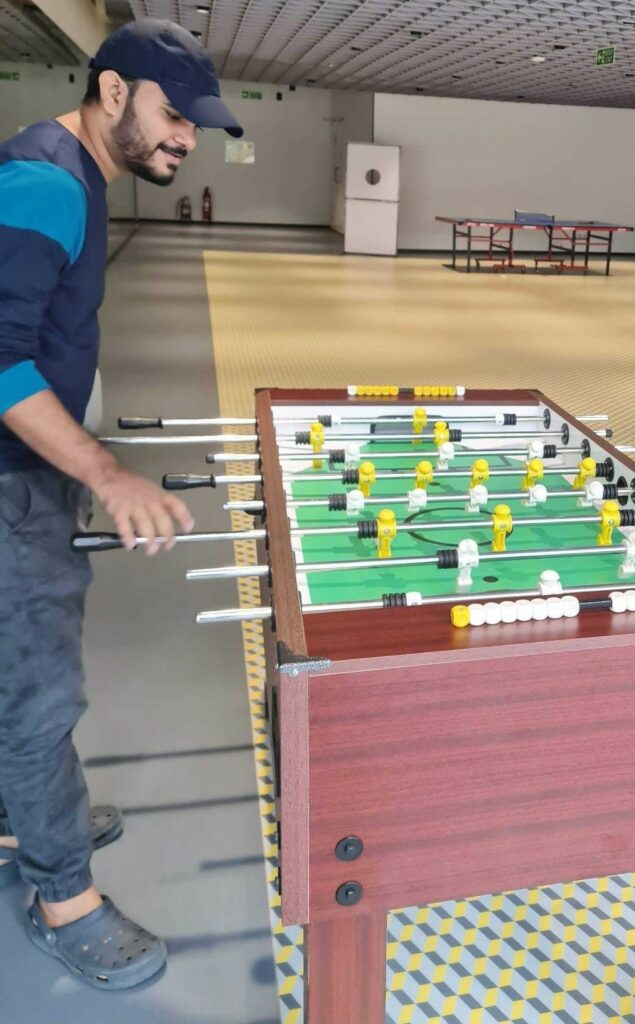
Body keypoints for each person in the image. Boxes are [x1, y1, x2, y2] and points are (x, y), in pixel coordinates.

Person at [0, 19, 242, 989]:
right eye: (173, 113)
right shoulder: (49, 183)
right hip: (10, 482)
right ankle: (64, 898)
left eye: (196, 124)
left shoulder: (73, 174)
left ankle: (23, 811)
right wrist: (106, 471)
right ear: (112, 92)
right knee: (39, 691)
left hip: (28, 470)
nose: (185, 138)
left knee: (18, 670)